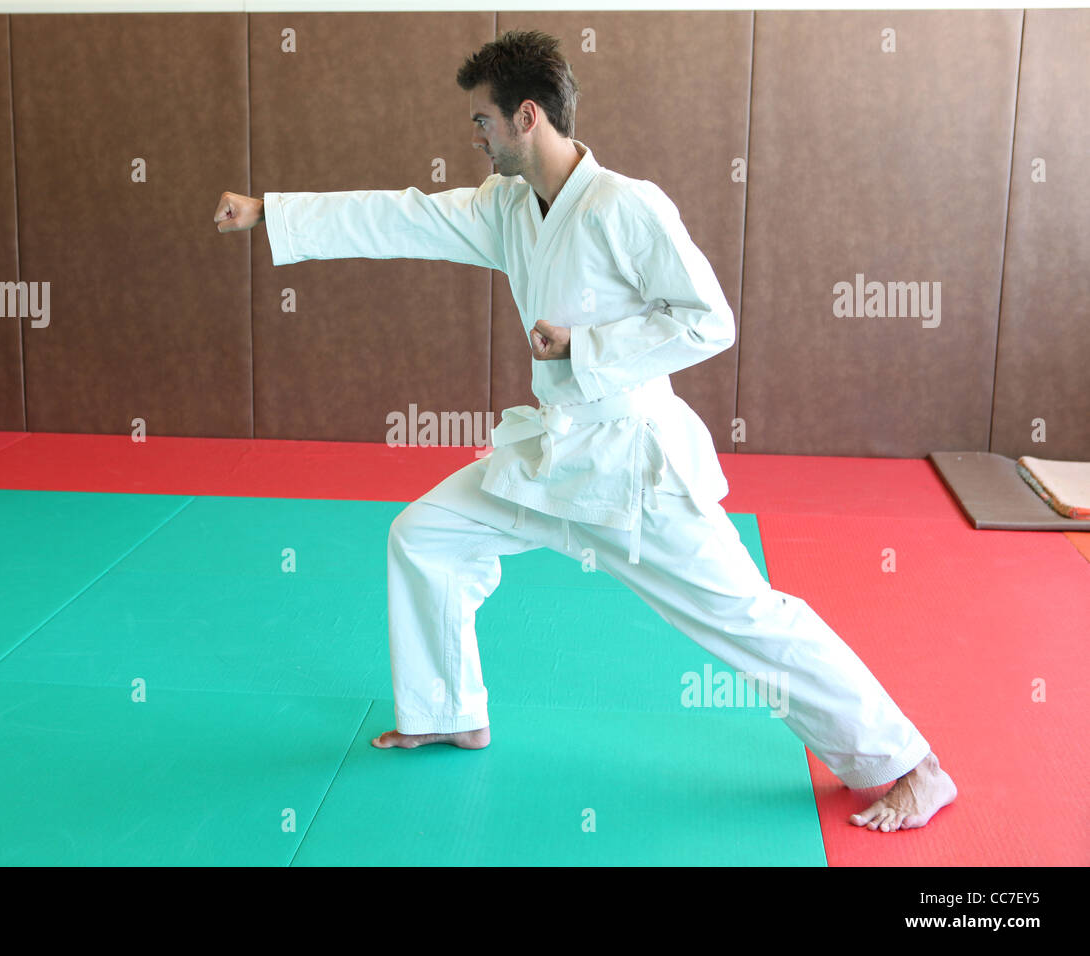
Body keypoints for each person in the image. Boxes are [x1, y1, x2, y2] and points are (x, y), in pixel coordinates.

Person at [214, 30, 956, 832]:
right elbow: (406, 218)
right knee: (425, 535)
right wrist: (271, 213)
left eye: (482, 122)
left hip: (635, 468)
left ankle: (908, 762)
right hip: (553, 453)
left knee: (745, 617)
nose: (476, 136)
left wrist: (586, 347)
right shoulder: (506, 205)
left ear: (526, 115)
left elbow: (711, 322)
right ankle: (447, 710)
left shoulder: (626, 206)